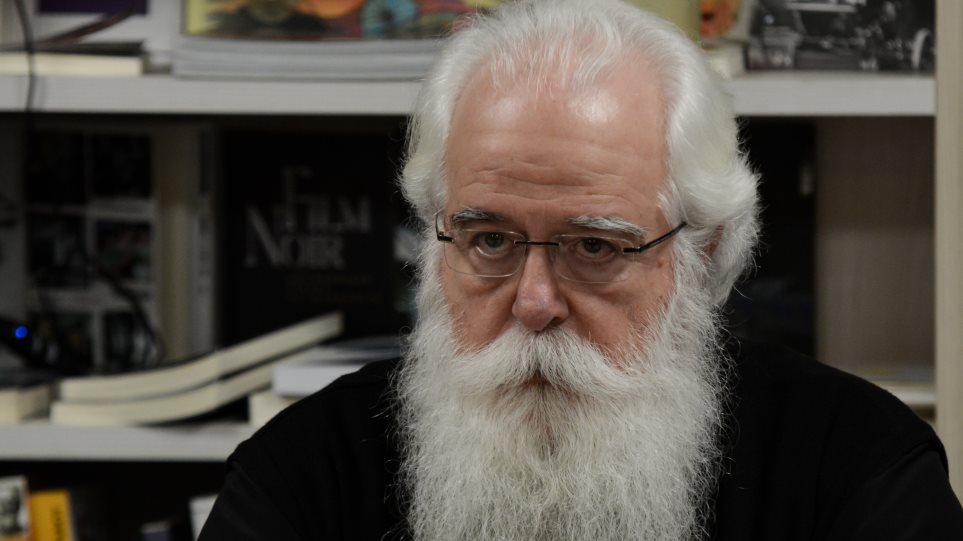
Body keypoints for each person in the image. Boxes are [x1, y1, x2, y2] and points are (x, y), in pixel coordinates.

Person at [199, 0, 963, 539]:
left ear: (698, 253)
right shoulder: (304, 472)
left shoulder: (854, 466)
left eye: (594, 246)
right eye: (490, 240)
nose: (534, 302)